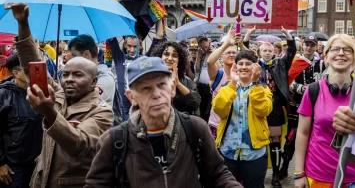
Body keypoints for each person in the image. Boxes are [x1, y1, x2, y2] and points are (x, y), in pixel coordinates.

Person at [84, 56, 242, 188]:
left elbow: (218, 174)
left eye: (161, 85)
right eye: (146, 88)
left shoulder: (195, 128)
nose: (157, 94)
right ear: (131, 97)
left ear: (172, 88)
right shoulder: (114, 140)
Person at [5, 2, 114, 188]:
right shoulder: (59, 95)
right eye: (66, 74)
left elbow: (79, 143)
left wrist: (50, 113)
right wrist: (23, 25)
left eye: (78, 75)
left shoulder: (102, 113)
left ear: (94, 82)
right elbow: (33, 68)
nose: (69, 79)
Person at [294, 34, 355, 188]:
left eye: (347, 50)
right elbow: (302, 133)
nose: (341, 53)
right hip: (319, 175)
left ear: (354, 57)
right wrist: (299, 173)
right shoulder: (313, 90)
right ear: (326, 56)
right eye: (335, 49)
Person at [212, 50, 272, 188]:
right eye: (240, 64)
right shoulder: (227, 88)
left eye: (248, 64)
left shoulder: (262, 88)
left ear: (255, 67)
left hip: (254, 154)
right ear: (236, 67)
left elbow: (264, 110)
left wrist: (256, 84)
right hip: (228, 152)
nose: (244, 67)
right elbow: (219, 110)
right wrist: (232, 83)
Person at [280, 35, 327, 179]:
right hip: (297, 104)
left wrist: (314, 88)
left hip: (315, 105)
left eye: (311, 45)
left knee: (313, 136)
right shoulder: (296, 61)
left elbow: (326, 79)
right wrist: (303, 89)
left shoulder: (322, 64)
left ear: (316, 46)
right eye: (306, 44)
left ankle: (310, 167)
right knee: (292, 136)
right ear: (303, 45)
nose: (308, 48)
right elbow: (288, 82)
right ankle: (285, 166)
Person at [258, 27, 296, 188]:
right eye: (264, 50)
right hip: (258, 109)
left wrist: (287, 35)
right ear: (259, 53)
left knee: (274, 144)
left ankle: (275, 175)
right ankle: (258, 174)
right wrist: (248, 34)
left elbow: (292, 52)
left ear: (274, 52)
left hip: (275, 110)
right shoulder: (254, 65)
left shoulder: (280, 64)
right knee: (258, 143)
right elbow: (243, 48)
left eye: (270, 50)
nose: (267, 53)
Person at [0, 53, 43, 188]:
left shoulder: (40, 93)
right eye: (29, 70)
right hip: (13, 167)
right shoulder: (3, 95)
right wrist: (1, 164)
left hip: (37, 164)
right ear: (16, 73)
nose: (36, 72)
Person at [107, 20, 165, 116]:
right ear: (125, 45)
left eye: (135, 46)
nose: (132, 50)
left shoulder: (145, 60)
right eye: (129, 46)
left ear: (140, 45)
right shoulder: (119, 58)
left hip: (141, 107)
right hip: (122, 109)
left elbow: (159, 36)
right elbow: (110, 35)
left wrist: (159, 17)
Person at [206, 30, 241, 138]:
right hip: (216, 126)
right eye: (228, 53)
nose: (231, 55)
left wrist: (242, 45)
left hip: (237, 126)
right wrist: (227, 44)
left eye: (234, 53)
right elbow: (210, 62)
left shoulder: (242, 75)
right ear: (221, 56)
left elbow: (254, 61)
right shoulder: (218, 74)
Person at [151, 41, 201, 115]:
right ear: (159, 57)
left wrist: (178, 84)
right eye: (166, 54)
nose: (170, 58)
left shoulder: (186, 81)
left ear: (179, 60)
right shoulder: (151, 80)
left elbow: (195, 103)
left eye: (174, 55)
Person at [68, 35, 116, 108]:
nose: (72, 60)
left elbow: (84, 104)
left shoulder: (105, 78)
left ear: (86, 54)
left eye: (74, 56)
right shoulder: (85, 75)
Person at [195, 37, 214, 122]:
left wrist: (212, 53)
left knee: (209, 109)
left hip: (210, 87)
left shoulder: (214, 54)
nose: (204, 49)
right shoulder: (201, 56)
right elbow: (197, 69)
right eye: (202, 47)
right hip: (200, 87)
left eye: (206, 47)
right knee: (201, 108)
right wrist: (198, 56)